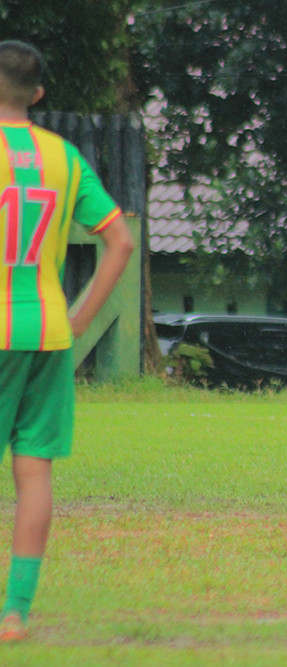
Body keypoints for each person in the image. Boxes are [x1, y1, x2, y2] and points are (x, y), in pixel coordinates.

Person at [0, 41, 135, 641]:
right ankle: (14, 613)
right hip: (49, 332)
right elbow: (121, 241)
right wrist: (78, 319)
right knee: (34, 473)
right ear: (38, 94)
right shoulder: (65, 158)